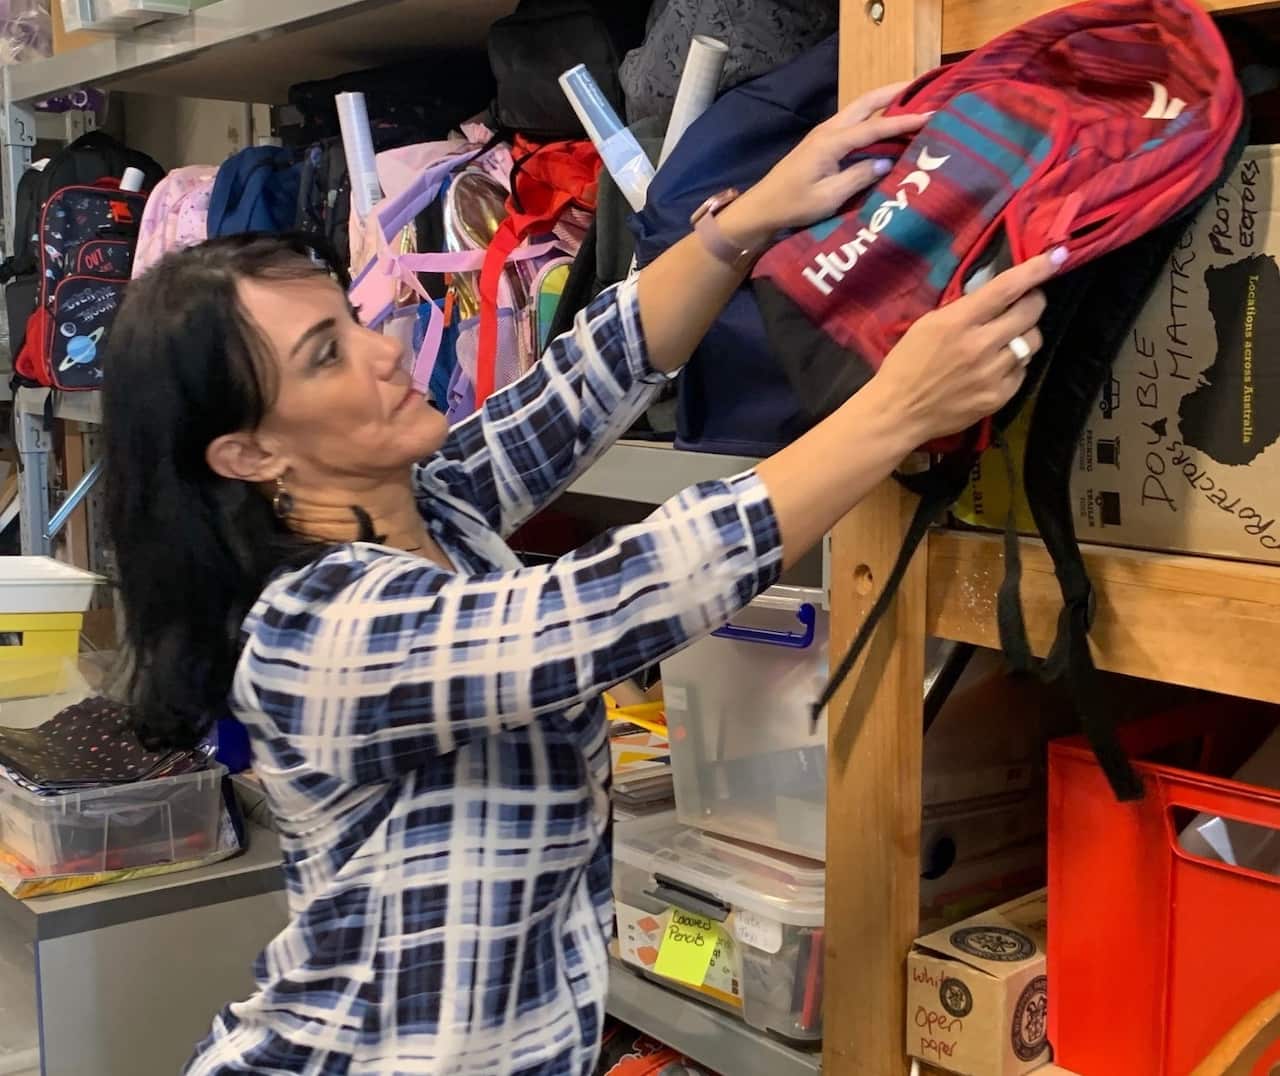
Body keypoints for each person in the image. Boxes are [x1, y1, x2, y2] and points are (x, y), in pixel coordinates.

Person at [102, 83, 1063, 1076]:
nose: (384, 351)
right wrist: (893, 409)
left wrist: (749, 218)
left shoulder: (422, 507)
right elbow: (609, 603)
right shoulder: (314, 634)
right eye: (326, 356)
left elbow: (577, 384)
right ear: (248, 455)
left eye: (351, 319)